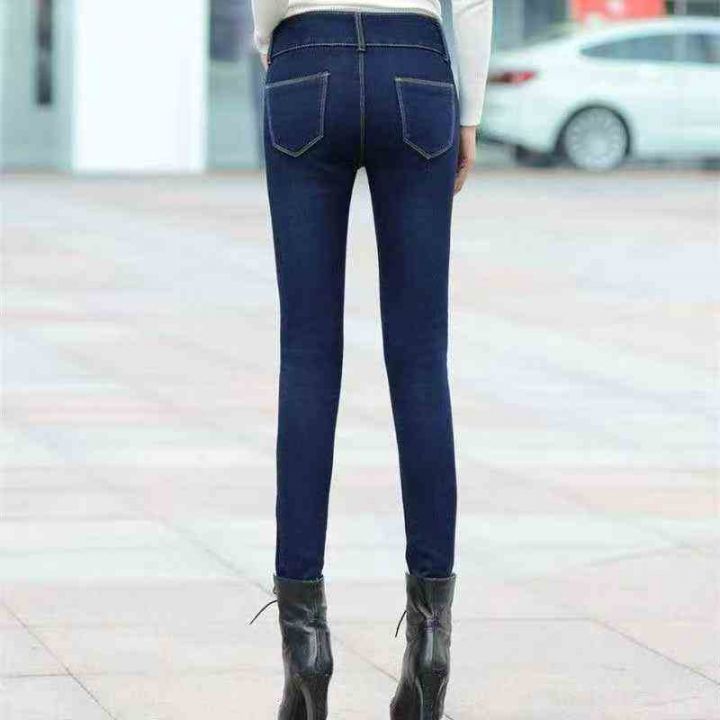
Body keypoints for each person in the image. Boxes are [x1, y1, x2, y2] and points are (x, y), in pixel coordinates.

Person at [247, 0, 493, 717]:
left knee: (307, 354)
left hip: (306, 58)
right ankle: (431, 640)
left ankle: (306, 648)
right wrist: (471, 113)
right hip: (417, 69)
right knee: (421, 360)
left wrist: (271, 39)